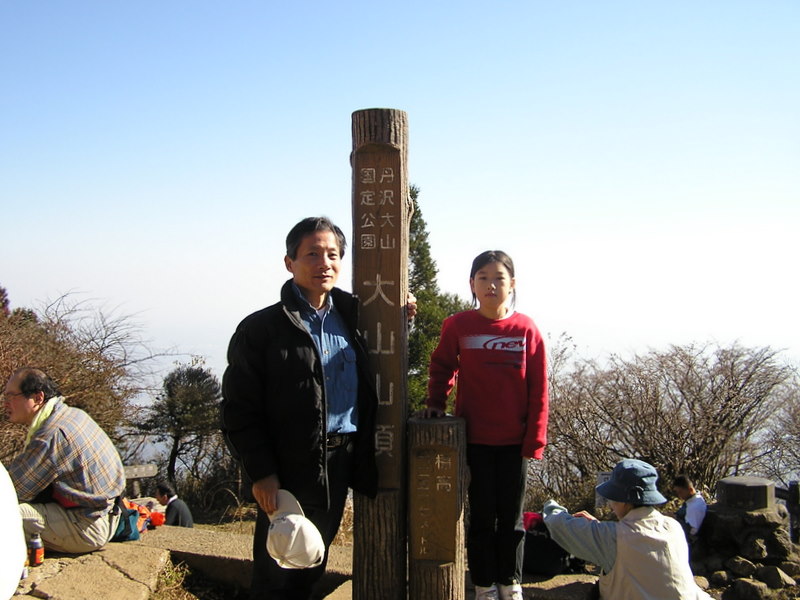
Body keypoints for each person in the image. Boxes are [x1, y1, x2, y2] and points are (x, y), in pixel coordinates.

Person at [221, 216, 415, 600]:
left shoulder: (353, 318)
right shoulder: (261, 329)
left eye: (332, 254)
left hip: (339, 462)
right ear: (289, 262)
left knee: (312, 565)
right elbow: (239, 410)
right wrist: (262, 473)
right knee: (277, 573)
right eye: (312, 254)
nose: (323, 263)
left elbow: (377, 360)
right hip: (288, 466)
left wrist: (400, 319)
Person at [422, 250, 548, 600]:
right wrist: (435, 403)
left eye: (499, 278)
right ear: (472, 284)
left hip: (514, 442)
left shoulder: (526, 329)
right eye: (483, 278)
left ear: (512, 284)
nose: (491, 285)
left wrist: (535, 438)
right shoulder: (458, 325)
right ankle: (484, 584)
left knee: (511, 519)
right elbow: (442, 366)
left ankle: (510, 582)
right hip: (474, 439)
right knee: (479, 517)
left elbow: (539, 388)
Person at [543, 459, 711, 600]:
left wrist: (551, 505)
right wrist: (599, 528)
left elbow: (557, 523)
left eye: (612, 497)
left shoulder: (614, 538)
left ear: (623, 501)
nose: (610, 503)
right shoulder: (673, 527)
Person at [4, 367, 125, 554]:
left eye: (11, 396)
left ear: (38, 398)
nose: (5, 403)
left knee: (5, 515)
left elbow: (13, 492)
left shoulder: (51, 435)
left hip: (87, 526)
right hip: (108, 513)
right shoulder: (73, 414)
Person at [673, 474, 707, 539]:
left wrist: (675, 519)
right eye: (677, 492)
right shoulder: (691, 500)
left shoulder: (695, 506)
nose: (679, 495)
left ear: (690, 490)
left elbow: (691, 530)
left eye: (680, 492)